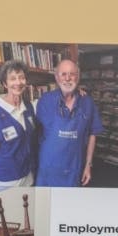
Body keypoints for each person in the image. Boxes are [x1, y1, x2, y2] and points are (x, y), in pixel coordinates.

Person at [34, 58, 104, 187]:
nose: (67, 78)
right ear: (56, 77)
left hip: (73, 169)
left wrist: (88, 165)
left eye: (72, 74)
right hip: (48, 170)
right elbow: (34, 132)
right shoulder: (44, 101)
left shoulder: (87, 102)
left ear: (78, 77)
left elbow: (92, 134)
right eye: (63, 74)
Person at [0, 59, 36, 187]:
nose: (18, 82)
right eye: (12, 78)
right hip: (6, 180)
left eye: (21, 78)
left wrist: (77, 93)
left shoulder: (29, 107)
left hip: (28, 176)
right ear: (5, 84)